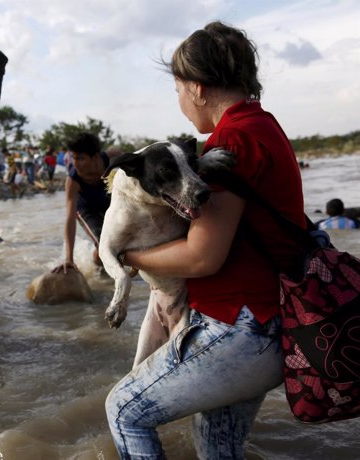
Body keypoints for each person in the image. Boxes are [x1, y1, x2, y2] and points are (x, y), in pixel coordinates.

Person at [105, 21, 306, 458]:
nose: (180, 102)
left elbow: (202, 257)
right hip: (272, 324)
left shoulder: (232, 139)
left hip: (237, 327)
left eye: (177, 89)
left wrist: (130, 255)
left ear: (196, 87)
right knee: (218, 451)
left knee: (123, 410)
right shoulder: (265, 126)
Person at [53, 132, 111, 274]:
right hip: (86, 210)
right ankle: (99, 266)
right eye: (73, 158)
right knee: (103, 243)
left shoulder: (109, 163)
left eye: (80, 158)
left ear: (95, 157)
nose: (75, 163)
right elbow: (70, 218)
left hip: (109, 203)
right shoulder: (73, 181)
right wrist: (69, 259)